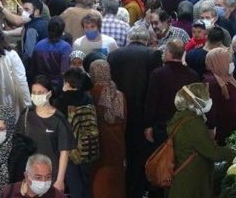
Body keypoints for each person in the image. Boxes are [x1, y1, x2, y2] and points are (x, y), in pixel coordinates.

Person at [107, 26, 163, 198]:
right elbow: (155, 88)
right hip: (142, 115)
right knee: (139, 158)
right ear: (146, 39)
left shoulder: (114, 55)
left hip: (119, 114)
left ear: (129, 37)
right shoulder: (152, 55)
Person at [166, 83, 236, 198]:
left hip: (186, 177)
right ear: (197, 100)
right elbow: (212, 152)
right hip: (190, 183)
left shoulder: (182, 116)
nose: (209, 99)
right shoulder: (192, 123)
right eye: (207, 96)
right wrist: (234, 152)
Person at [16, 77, 75, 193]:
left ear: (49, 94)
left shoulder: (58, 119)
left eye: (40, 93)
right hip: (30, 176)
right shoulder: (27, 115)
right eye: (34, 92)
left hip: (51, 175)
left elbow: (64, 151)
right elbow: (19, 145)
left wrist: (60, 180)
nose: (37, 95)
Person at [144, 40, 200, 147]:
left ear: (168, 53)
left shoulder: (158, 74)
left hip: (163, 126)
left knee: (164, 158)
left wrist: (148, 125)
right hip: (185, 125)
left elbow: (151, 101)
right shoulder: (193, 75)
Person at [87, 60, 126, 198]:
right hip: (118, 140)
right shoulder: (119, 94)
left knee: (99, 180)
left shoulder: (91, 94)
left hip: (99, 140)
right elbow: (124, 121)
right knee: (116, 179)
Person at [54, 68, 94, 198]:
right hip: (88, 145)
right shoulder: (88, 98)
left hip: (70, 148)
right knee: (86, 182)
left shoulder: (61, 101)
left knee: (74, 182)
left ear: (67, 82)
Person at [204, 48, 236, 145]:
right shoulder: (213, 83)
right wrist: (212, 133)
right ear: (219, 62)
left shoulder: (227, 76)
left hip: (234, 127)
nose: (231, 64)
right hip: (223, 133)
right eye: (229, 61)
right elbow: (210, 110)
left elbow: (229, 95)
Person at [31, 17, 72, 91]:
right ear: (62, 31)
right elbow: (64, 71)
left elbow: (34, 68)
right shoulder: (65, 47)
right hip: (58, 87)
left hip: (41, 85)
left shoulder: (38, 45)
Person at [0, 154, 66, 198]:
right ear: (26, 176)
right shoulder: (9, 192)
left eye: (48, 177)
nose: (44, 181)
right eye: (38, 177)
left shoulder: (58, 196)